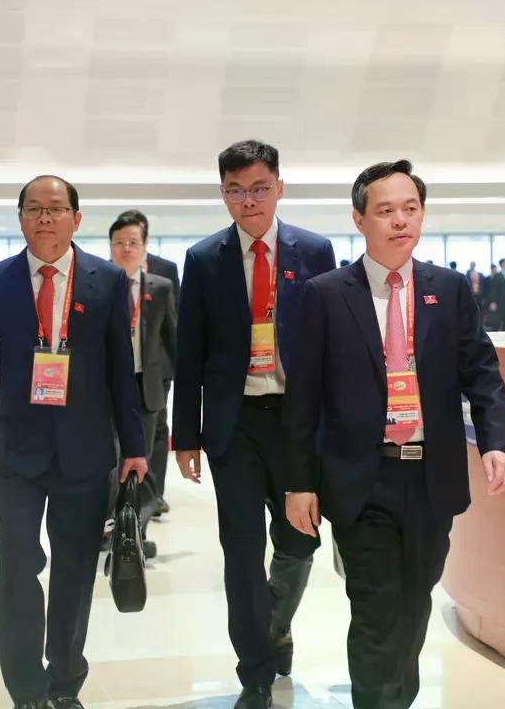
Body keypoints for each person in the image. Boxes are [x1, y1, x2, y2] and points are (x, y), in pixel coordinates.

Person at [283, 159, 505, 709]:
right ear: (359, 219)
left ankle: (396, 699)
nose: (400, 220)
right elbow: (303, 399)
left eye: (411, 208)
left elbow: (481, 370)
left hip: (431, 478)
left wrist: (496, 441)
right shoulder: (325, 294)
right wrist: (299, 482)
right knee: (376, 610)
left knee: (414, 606)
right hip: (362, 479)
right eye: (386, 210)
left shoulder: (448, 289)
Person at [0, 175, 146, 709]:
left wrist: (135, 447)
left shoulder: (106, 280)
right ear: (21, 219)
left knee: (75, 571)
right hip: (15, 453)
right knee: (15, 567)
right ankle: (26, 686)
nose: (45, 217)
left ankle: (65, 682)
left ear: (77, 218)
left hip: (85, 451)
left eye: (56, 208)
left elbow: (122, 370)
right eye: (34, 208)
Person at [173, 140, 336, 709]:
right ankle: (255, 675)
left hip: (297, 420)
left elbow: (333, 345)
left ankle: (275, 621)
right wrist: (186, 436)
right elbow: (189, 352)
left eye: (259, 188)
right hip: (234, 424)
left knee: (299, 539)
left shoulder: (314, 251)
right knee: (241, 552)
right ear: (223, 194)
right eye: (236, 191)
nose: (249, 201)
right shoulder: (204, 259)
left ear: (279, 188)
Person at [109, 212, 176, 558]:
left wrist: (166, 382)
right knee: (110, 461)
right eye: (119, 242)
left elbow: (173, 339)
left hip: (146, 388)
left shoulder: (159, 288)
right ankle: (110, 525)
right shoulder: (98, 286)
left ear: (144, 247)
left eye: (133, 242)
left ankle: (137, 532)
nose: (126, 248)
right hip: (107, 389)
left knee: (142, 461)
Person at [481, 263, 505, 331]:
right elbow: (485, 290)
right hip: (489, 301)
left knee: (496, 316)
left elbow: (499, 291)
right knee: (489, 316)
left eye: (496, 269)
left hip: (497, 300)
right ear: (491, 270)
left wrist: (495, 301)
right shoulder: (487, 278)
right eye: (493, 269)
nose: (495, 270)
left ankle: (496, 329)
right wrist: (489, 301)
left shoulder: (499, 278)